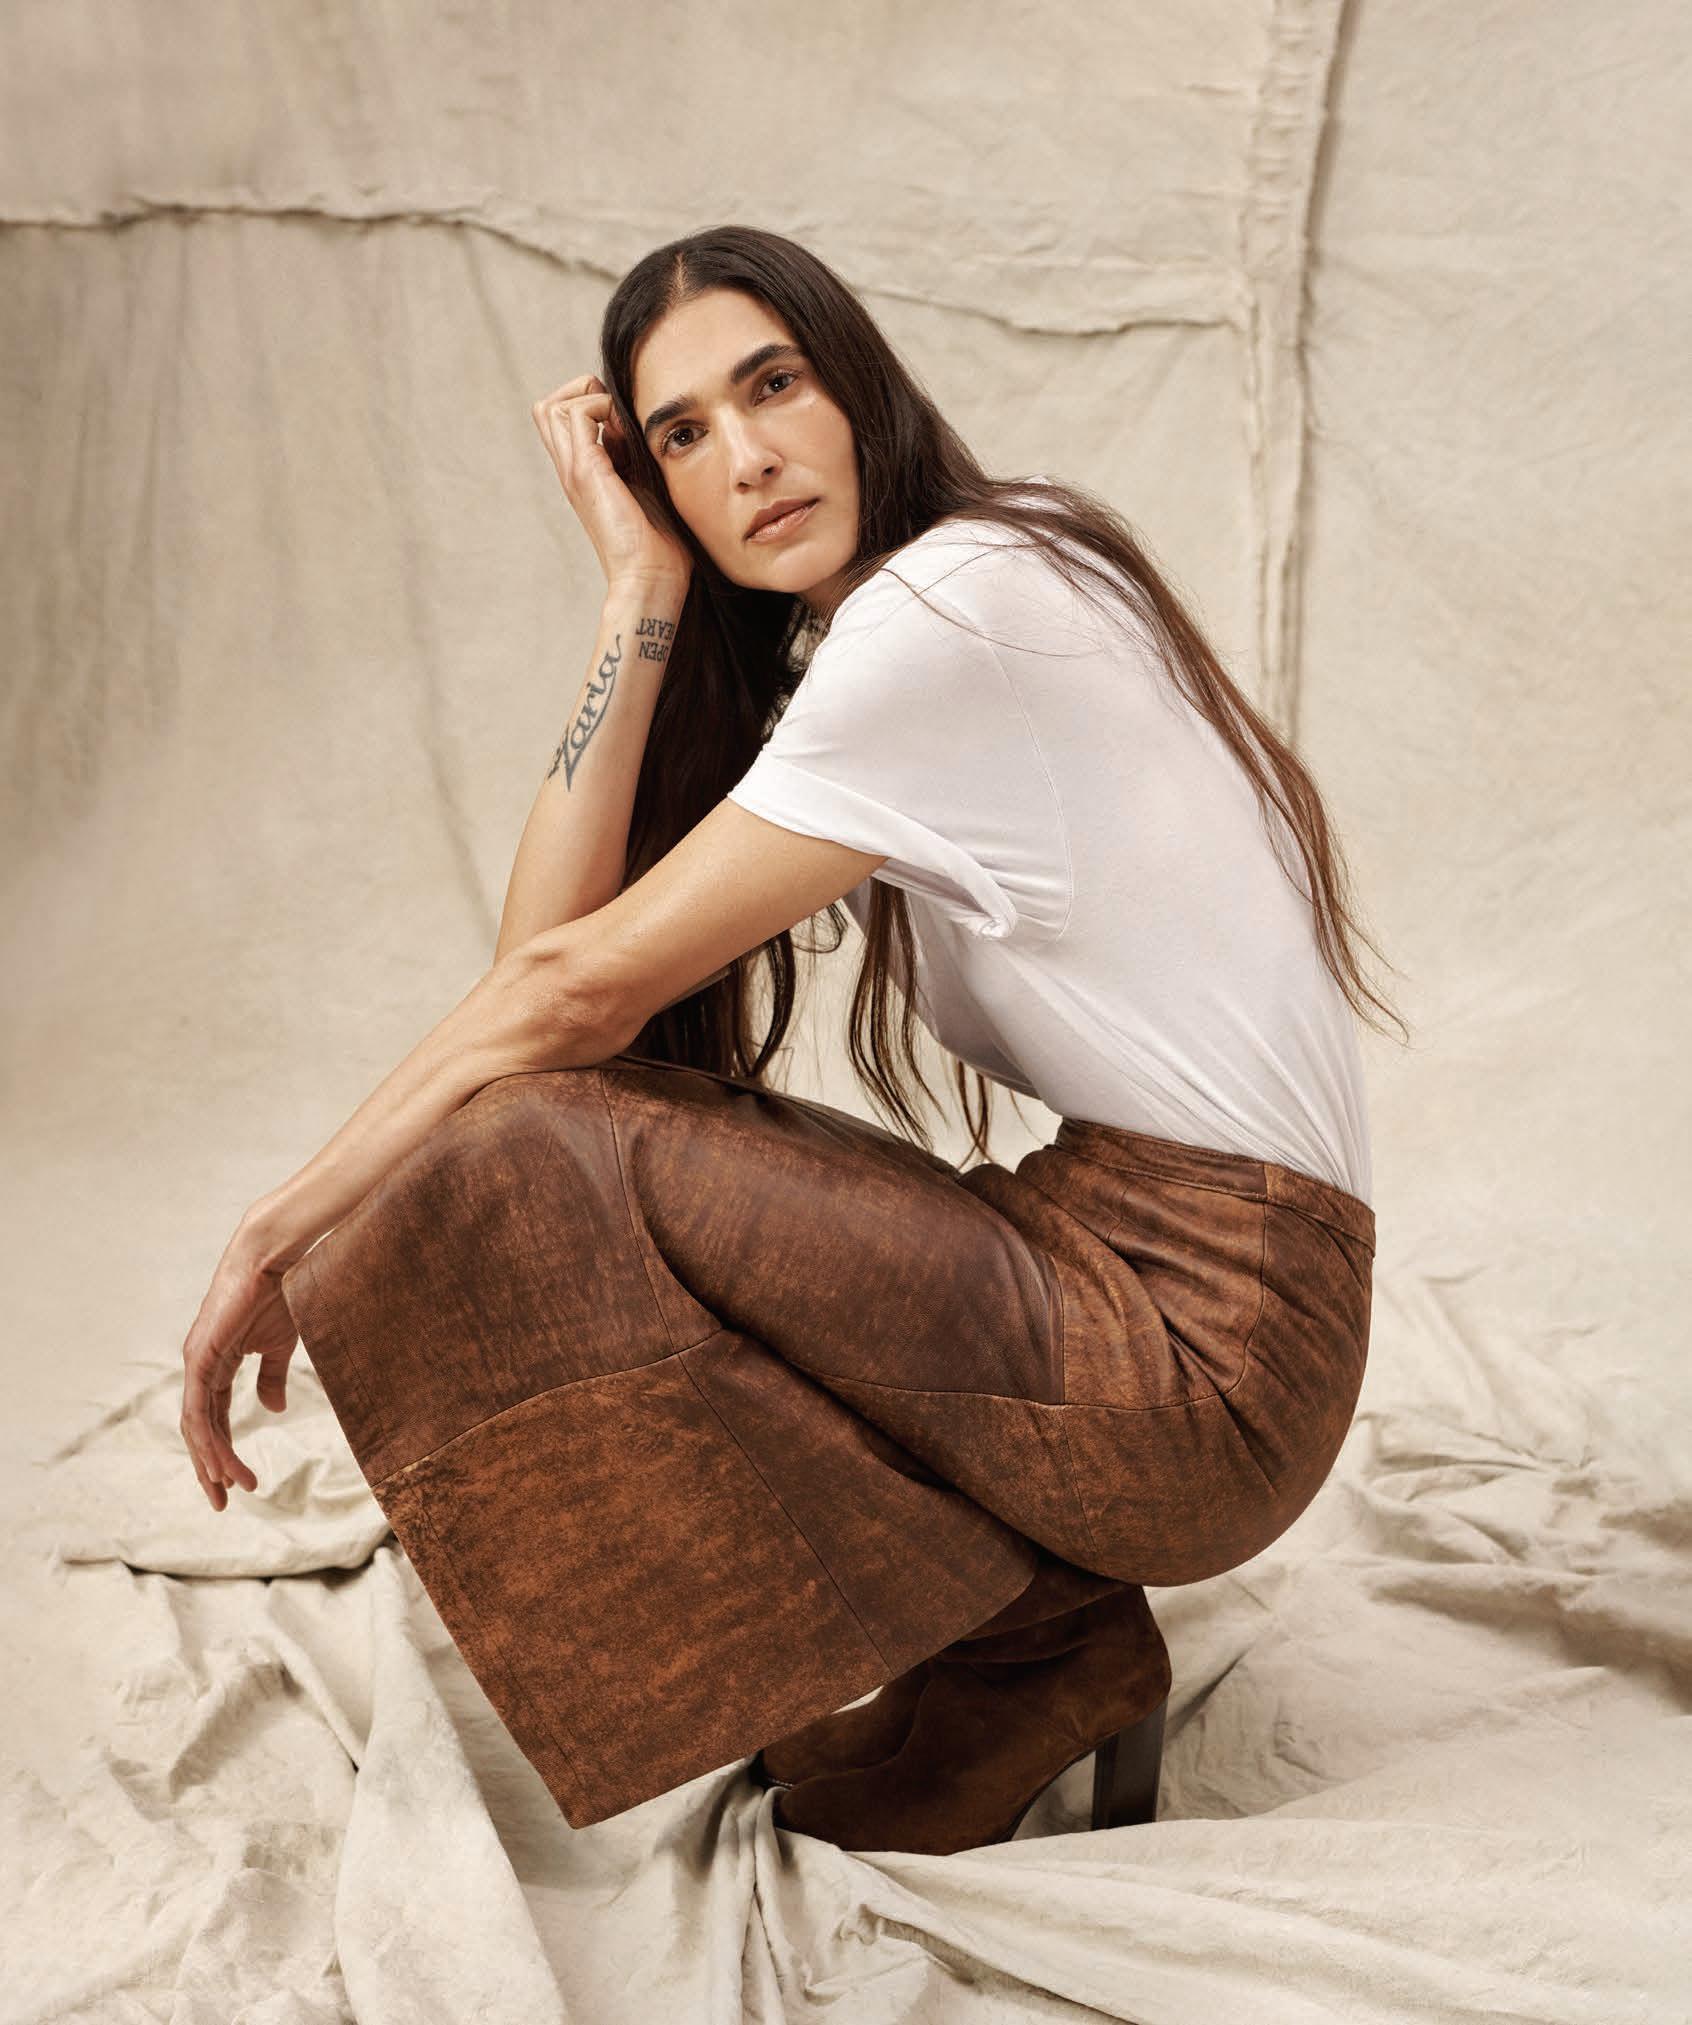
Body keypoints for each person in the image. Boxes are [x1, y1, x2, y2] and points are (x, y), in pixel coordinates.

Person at [178, 224, 1406, 1857]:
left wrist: (282, 1226)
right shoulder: (948, 594)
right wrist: (639, 590)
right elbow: (544, 968)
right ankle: (1029, 1647)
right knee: (542, 1124)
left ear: (858, 387)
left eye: (774, 385)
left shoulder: (958, 603)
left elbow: (558, 997)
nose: (746, 457)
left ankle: (1030, 1649)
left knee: (524, 1145)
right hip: (1156, 1277)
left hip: (1208, 1352)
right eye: (682, 435)